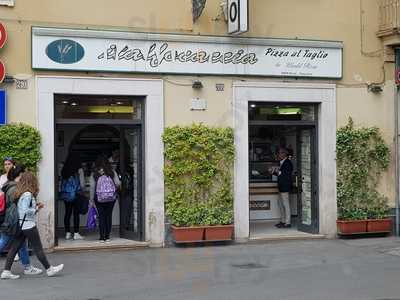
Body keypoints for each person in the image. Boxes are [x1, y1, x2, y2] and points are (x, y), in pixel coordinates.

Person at [1, 171, 64, 279]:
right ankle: (49, 269)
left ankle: (6, 271)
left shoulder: (21, 193)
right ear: (31, 181)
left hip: (21, 225)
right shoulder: (27, 194)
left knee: (14, 248)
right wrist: (36, 208)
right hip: (29, 225)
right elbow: (25, 210)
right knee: (38, 248)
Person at [0, 164, 42, 275]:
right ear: (21, 173)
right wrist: (35, 207)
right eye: (25, 171)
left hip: (13, 219)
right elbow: (21, 206)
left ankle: (27, 267)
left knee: (21, 244)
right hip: (14, 220)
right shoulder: (15, 188)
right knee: (3, 242)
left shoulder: (10, 185)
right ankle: (27, 268)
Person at [90, 156, 120, 242]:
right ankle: (107, 236)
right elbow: (117, 183)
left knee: (101, 216)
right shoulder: (112, 172)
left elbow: (92, 187)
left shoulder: (94, 173)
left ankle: (102, 237)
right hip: (111, 198)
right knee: (108, 216)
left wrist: (91, 200)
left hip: (99, 198)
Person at [60, 153, 85, 240]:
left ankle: (67, 233)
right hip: (76, 194)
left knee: (67, 213)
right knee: (76, 214)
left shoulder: (64, 170)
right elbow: (82, 184)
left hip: (66, 194)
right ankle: (76, 233)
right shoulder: (79, 170)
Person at [272, 148, 293, 228]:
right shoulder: (281, 162)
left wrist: (277, 171)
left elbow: (286, 175)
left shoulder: (288, 163)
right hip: (281, 187)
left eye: (280, 153)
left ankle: (288, 222)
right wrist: (273, 172)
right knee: (280, 204)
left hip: (285, 187)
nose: (279, 154)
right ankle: (283, 220)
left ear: (284, 154)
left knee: (285, 204)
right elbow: (280, 174)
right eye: (278, 153)